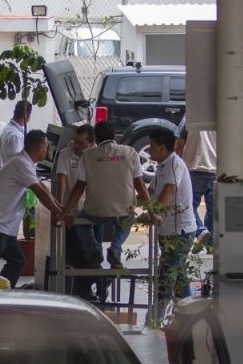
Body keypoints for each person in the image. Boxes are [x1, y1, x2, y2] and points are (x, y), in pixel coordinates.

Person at [0, 130, 65, 287]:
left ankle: (1, 294)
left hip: (2, 227)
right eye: (46, 146)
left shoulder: (24, 162)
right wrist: (61, 213)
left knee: (17, 261)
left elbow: (43, 188)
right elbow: (40, 192)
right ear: (39, 147)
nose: (48, 150)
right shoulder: (21, 164)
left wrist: (61, 209)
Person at [61, 121, 150, 269]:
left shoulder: (87, 155)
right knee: (128, 218)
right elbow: (140, 184)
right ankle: (115, 249)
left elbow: (79, 187)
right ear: (114, 135)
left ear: (95, 139)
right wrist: (152, 212)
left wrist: (63, 212)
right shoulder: (130, 152)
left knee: (80, 221)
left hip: (95, 211)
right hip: (122, 212)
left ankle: (94, 250)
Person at [148, 127, 198, 319]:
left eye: (152, 146)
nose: (150, 150)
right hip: (166, 230)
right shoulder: (162, 166)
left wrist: (156, 212)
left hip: (180, 231)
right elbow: (151, 192)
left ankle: (156, 320)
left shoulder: (174, 164)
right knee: (179, 276)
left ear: (162, 147)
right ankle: (189, 315)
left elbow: (168, 190)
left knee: (167, 275)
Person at [55, 124, 103, 300]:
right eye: (75, 142)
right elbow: (62, 181)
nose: (76, 146)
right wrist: (60, 208)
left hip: (94, 214)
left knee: (94, 255)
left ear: (92, 143)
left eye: (81, 143)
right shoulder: (65, 154)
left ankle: (91, 288)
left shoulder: (98, 156)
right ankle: (77, 292)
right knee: (76, 255)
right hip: (73, 215)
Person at [174, 116, 217, 251]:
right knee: (213, 210)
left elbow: (180, 144)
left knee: (188, 205)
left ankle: (200, 231)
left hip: (193, 168)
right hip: (216, 169)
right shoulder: (222, 115)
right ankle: (211, 245)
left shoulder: (189, 118)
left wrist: (175, 162)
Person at [0, 100, 32, 165]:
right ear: (27, 117)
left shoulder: (7, 128)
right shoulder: (15, 136)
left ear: (14, 112)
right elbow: (18, 163)